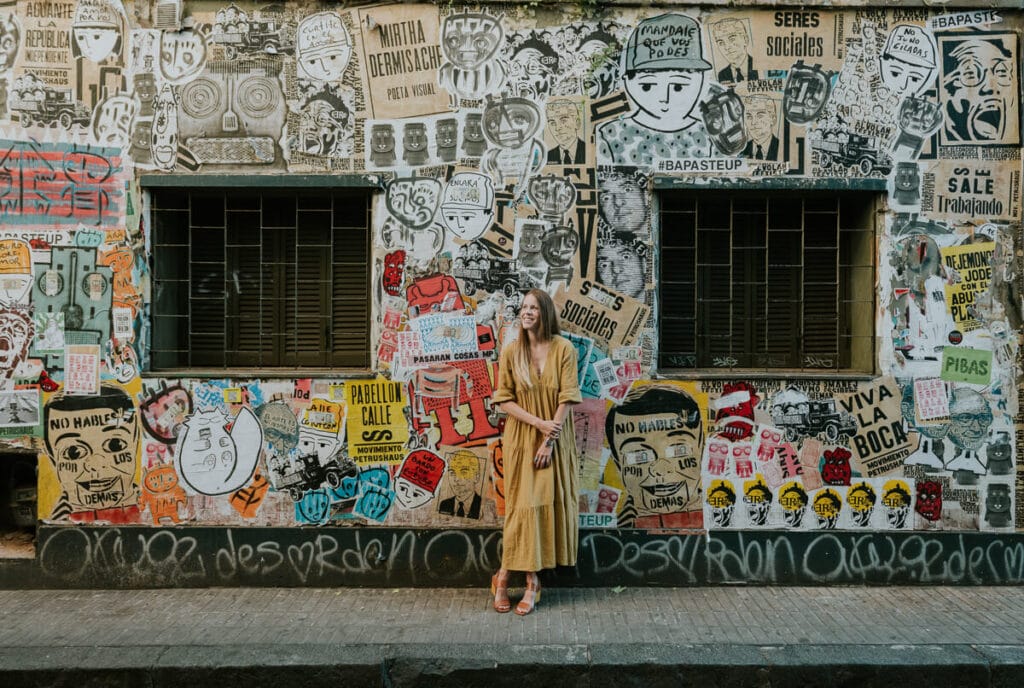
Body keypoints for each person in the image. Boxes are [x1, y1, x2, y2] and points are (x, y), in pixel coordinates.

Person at [490, 289, 581, 615]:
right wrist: (538, 425)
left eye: (533, 307)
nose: (526, 312)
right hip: (521, 437)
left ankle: (520, 580)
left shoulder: (564, 349)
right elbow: (503, 399)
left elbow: (568, 397)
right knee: (521, 509)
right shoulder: (512, 352)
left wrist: (549, 439)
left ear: (545, 312)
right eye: (524, 307)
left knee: (541, 508)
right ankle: (515, 580)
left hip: (554, 440)